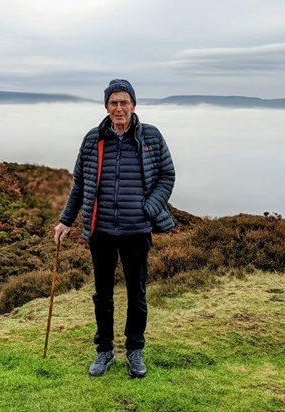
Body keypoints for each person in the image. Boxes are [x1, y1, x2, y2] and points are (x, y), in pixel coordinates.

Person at [54, 79, 175, 378]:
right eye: (113, 103)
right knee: (102, 294)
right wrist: (66, 220)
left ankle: (135, 350)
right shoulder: (92, 140)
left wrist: (147, 209)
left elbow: (167, 176)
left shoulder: (151, 137)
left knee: (137, 293)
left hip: (136, 231)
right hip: (101, 231)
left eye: (125, 102)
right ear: (106, 106)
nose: (119, 108)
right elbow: (80, 184)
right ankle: (104, 350)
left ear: (134, 105)